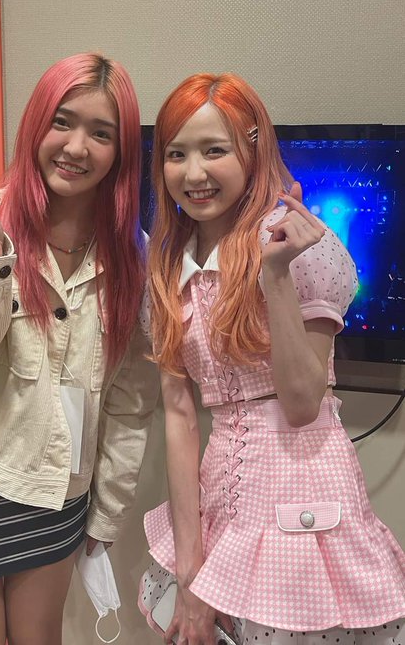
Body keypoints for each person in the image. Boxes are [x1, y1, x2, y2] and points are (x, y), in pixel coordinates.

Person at [139, 72, 405, 644]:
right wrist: (190, 571)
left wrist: (275, 276)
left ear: (253, 149)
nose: (194, 173)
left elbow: (304, 403)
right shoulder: (168, 264)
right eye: (176, 154)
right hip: (223, 494)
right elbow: (180, 415)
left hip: (305, 494)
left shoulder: (297, 243)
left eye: (215, 150)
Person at [0, 52, 159, 645]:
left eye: (101, 133)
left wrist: (106, 511)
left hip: (54, 489)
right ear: (36, 124)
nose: (76, 147)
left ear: (121, 151)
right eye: (62, 122)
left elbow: (130, 400)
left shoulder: (133, 256)